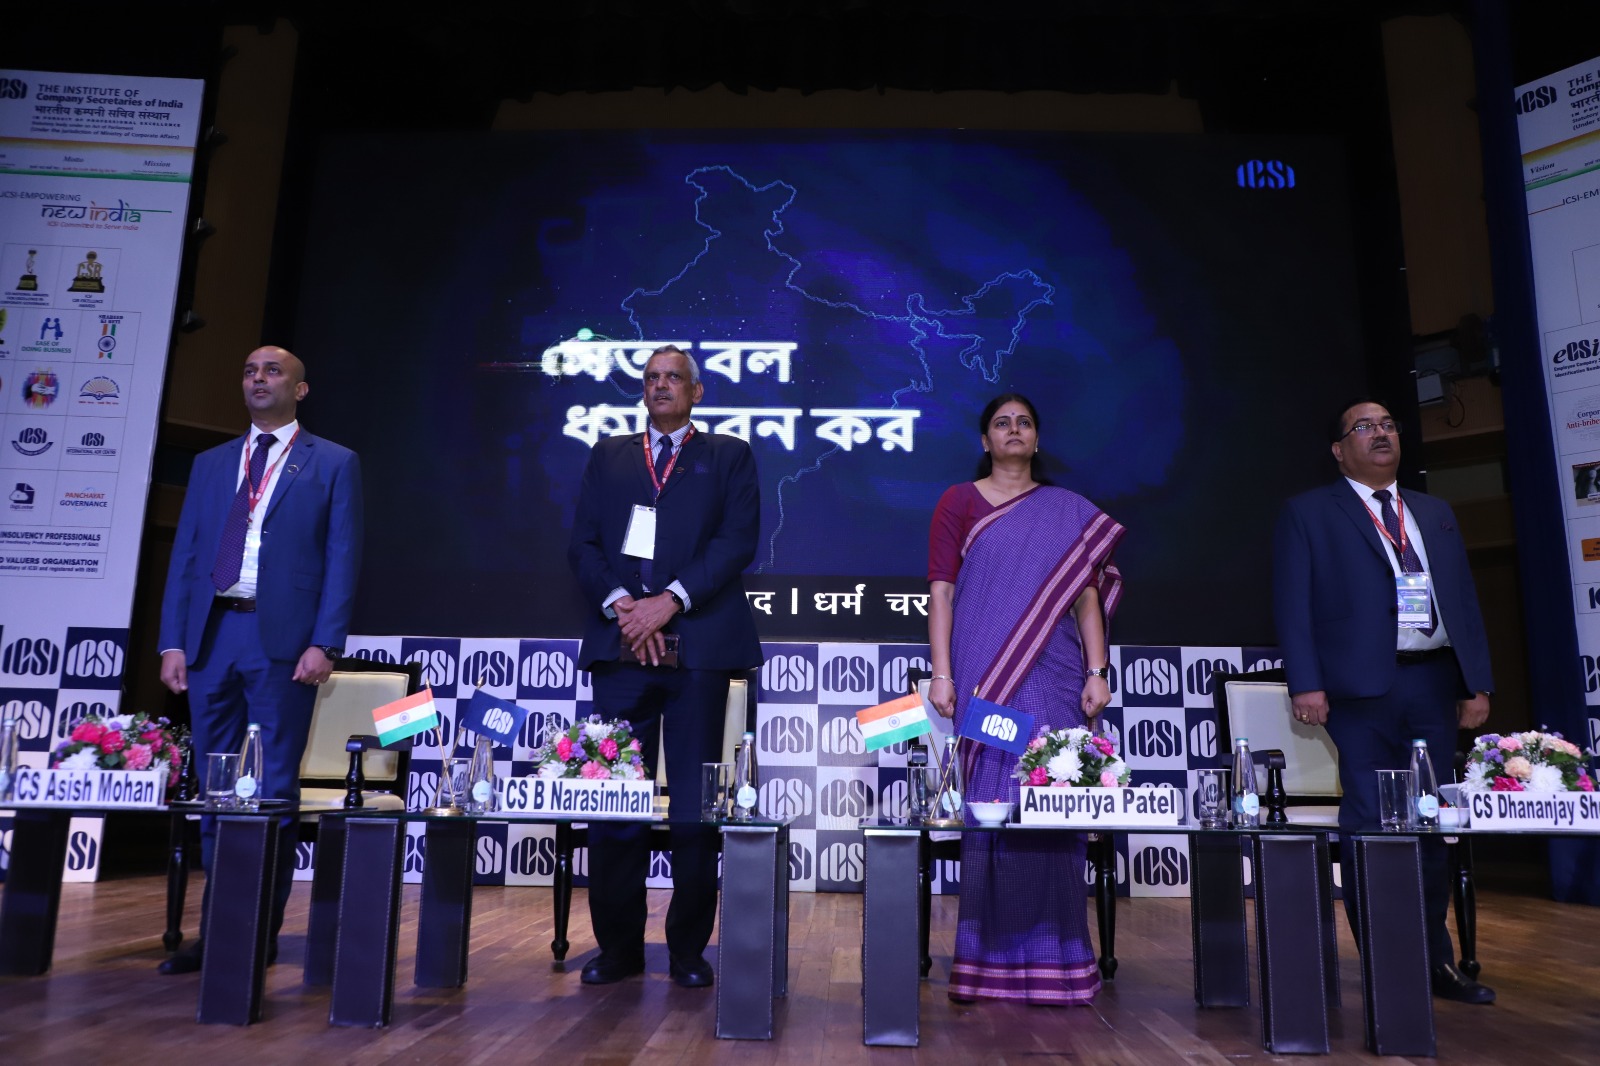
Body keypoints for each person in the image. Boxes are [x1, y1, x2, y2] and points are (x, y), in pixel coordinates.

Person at [1272, 398, 1494, 1004]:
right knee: (1371, 821)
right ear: (1339, 449)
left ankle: (1435, 960)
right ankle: (1387, 962)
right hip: (1359, 689)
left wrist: (1476, 682)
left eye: (1389, 425)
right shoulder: (1309, 512)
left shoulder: (1434, 511)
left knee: (1430, 821)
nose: (1380, 433)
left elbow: (1463, 599)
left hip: (1432, 681)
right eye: (1364, 427)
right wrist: (1306, 683)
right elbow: (1293, 603)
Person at [156, 346, 363, 974]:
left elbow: (343, 557)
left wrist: (325, 642)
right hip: (213, 636)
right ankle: (219, 929)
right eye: (249, 371)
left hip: (284, 643)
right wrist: (172, 641)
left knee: (270, 790)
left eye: (272, 371)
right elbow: (187, 555)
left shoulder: (333, 462)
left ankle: (256, 932)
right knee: (216, 790)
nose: (258, 379)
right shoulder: (212, 462)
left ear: (300, 390)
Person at [569, 344, 763, 988]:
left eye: (673, 377)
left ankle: (687, 951)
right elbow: (583, 544)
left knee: (693, 813)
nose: (660, 386)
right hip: (620, 647)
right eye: (651, 377)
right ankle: (619, 949)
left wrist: (668, 602)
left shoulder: (728, 455)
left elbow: (736, 542)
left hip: (699, 652)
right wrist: (626, 607)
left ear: (696, 392)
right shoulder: (609, 455)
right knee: (613, 805)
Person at [927, 393, 1124, 1004]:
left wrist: (1098, 670)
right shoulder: (958, 501)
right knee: (993, 803)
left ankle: (1059, 960)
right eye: (1001, 423)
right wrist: (942, 674)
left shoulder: (1066, 511)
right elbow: (942, 593)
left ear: (1037, 439)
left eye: (1024, 423)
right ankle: (984, 962)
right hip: (986, 676)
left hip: (1057, 676)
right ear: (985, 439)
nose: (1013, 430)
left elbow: (1087, 598)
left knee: (1051, 801)